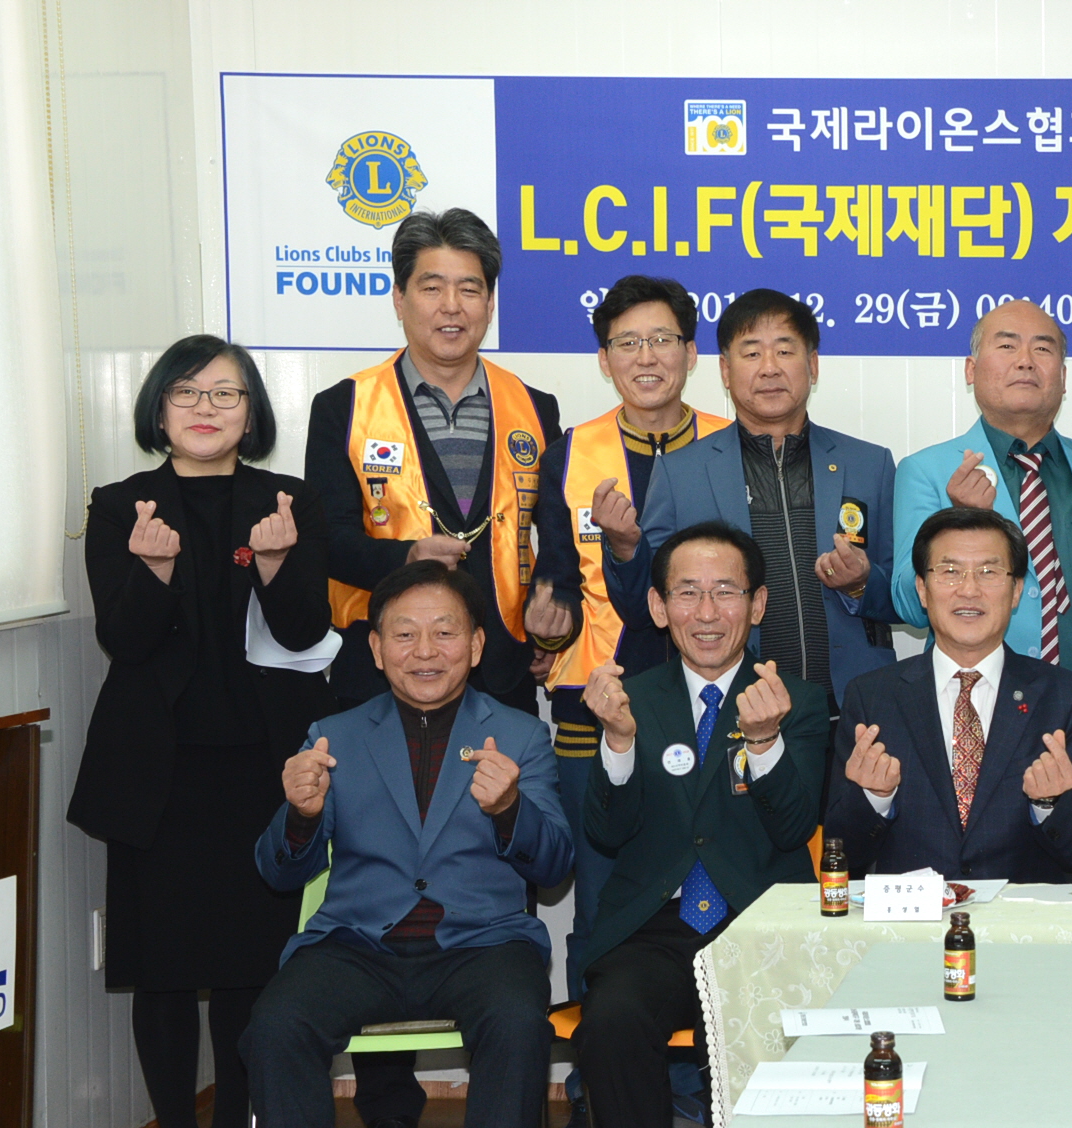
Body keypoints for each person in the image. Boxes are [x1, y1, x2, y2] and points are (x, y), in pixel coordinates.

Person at [65, 336, 333, 1128]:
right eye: (185, 392)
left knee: (253, 967)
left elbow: (305, 631)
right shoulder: (123, 505)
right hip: (158, 774)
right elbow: (125, 640)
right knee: (165, 972)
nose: (204, 408)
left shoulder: (289, 502)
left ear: (252, 413)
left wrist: (277, 565)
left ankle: (236, 1118)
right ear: (159, 410)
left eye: (225, 393)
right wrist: (151, 573)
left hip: (262, 768)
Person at [241, 563, 572, 1128]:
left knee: (518, 1024)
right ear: (376, 648)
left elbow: (555, 863)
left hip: (483, 945)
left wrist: (510, 809)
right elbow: (278, 874)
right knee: (275, 1026)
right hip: (355, 946)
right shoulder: (333, 737)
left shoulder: (521, 735)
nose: (425, 651)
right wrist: (300, 816)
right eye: (404, 634)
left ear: (476, 645)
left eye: (444, 632)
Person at [526, 274, 732, 1127]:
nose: (647, 357)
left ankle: (702, 1088)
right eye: (627, 343)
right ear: (605, 359)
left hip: (708, 707)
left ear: (690, 351)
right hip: (598, 707)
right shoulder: (571, 451)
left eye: (662, 340)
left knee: (709, 889)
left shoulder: (726, 444)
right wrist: (542, 625)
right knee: (606, 899)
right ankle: (599, 1089)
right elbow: (552, 578)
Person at [575, 522, 831, 1128]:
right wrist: (618, 742)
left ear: (758, 604)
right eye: (687, 593)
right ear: (658, 607)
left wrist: (764, 743)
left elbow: (794, 828)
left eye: (726, 592)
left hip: (757, 923)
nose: (708, 612)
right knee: (610, 1021)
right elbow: (605, 833)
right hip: (653, 928)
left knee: (753, 1026)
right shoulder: (628, 701)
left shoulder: (796, 701)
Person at [305, 208, 564, 714]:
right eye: (432, 288)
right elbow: (326, 540)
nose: (451, 306)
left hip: (502, 673)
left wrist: (554, 615)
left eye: (469, 289)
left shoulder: (535, 408)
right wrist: (405, 559)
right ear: (399, 299)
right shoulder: (345, 407)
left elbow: (557, 536)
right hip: (380, 674)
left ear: (490, 303)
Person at [890, 300, 1072, 871]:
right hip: (975, 722)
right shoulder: (927, 470)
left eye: (1044, 348)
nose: (1025, 360)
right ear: (971, 369)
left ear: (1063, 375)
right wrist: (956, 517)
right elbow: (908, 602)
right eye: (1006, 344)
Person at [605, 288, 896, 705]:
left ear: (813, 365)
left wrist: (861, 584)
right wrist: (624, 549)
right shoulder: (679, 473)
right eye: (752, 353)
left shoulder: (870, 464)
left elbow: (909, 597)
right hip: (734, 711)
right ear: (725, 371)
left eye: (785, 351)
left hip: (855, 705)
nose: (770, 368)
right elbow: (643, 609)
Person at [826, 508, 1072, 882]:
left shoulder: (1065, 696)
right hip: (915, 915)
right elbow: (843, 851)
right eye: (950, 571)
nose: (969, 590)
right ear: (922, 589)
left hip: (1021, 913)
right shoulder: (872, 696)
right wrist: (874, 798)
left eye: (988, 572)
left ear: (1016, 590)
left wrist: (1050, 804)